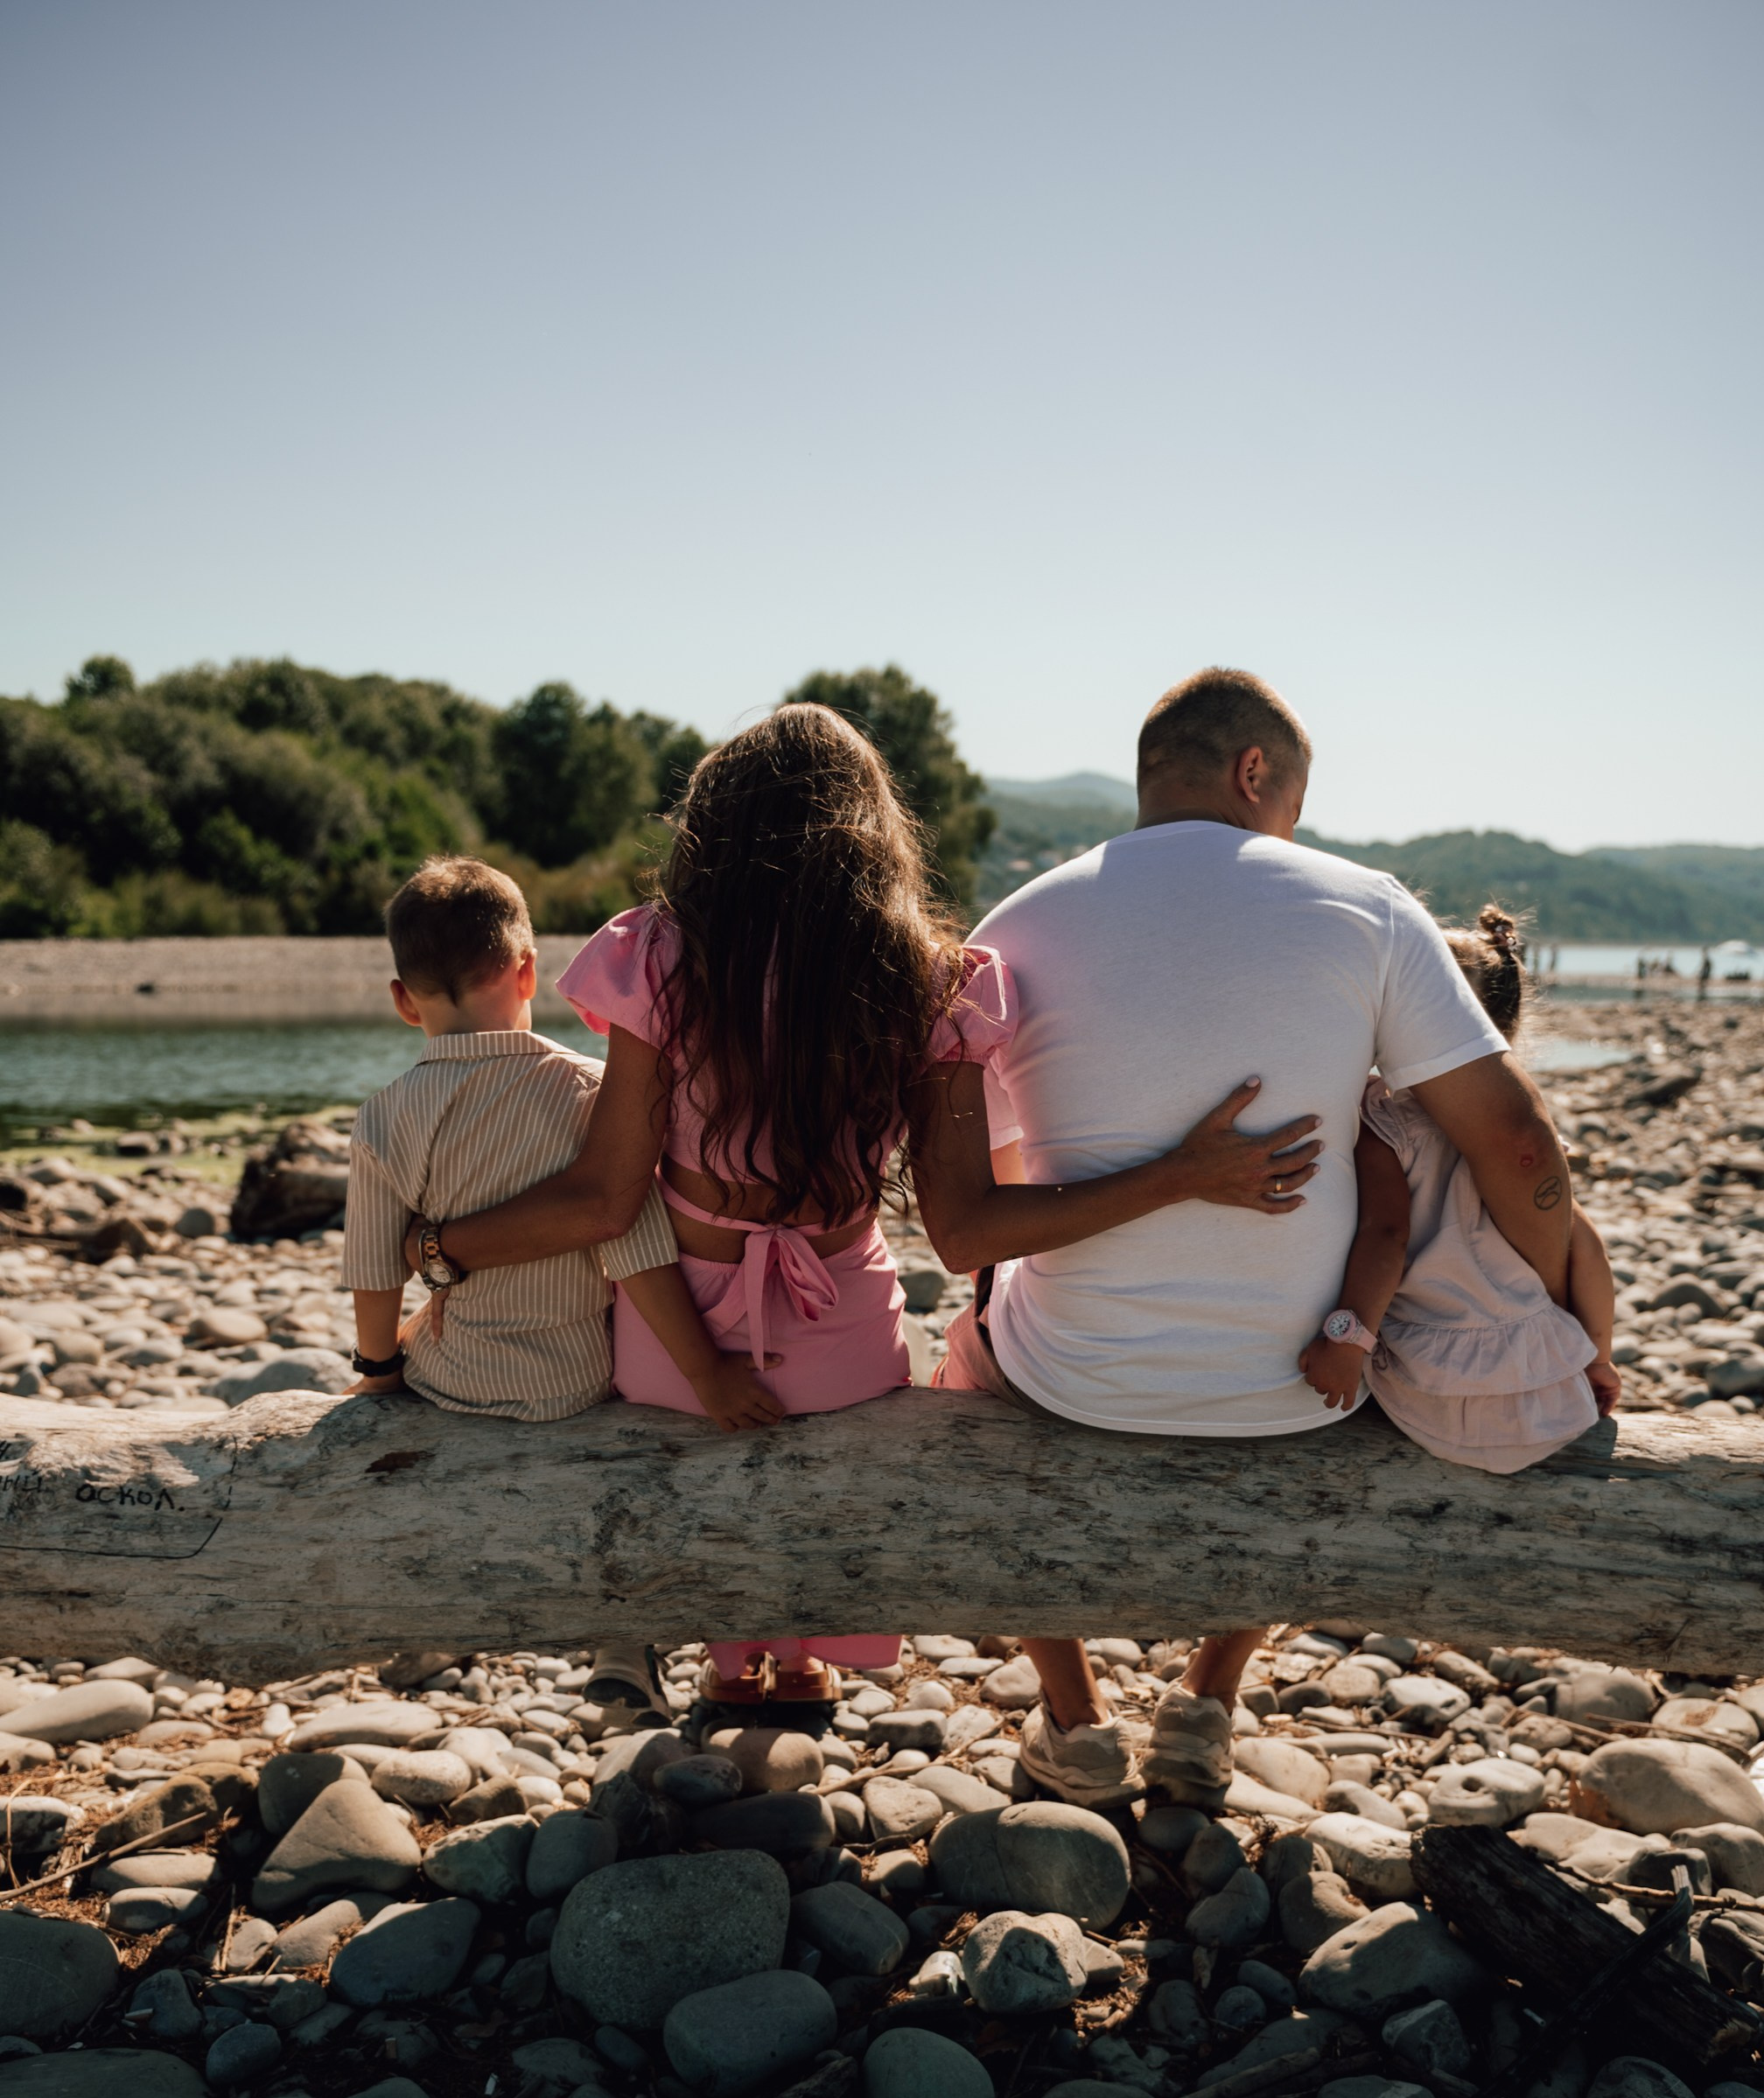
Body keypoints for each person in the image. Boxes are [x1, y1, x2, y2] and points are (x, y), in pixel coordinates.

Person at [406, 706, 1318, 1719]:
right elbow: (966, 1230)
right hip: (843, 1323)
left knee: (690, 1476)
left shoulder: (663, 957)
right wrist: (1177, 1173)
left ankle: (727, 1662)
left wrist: (442, 1249)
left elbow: (607, 1197)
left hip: (677, 1329)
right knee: (826, 1494)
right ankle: (805, 1658)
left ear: (718, 828)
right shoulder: (932, 980)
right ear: (873, 832)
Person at [926, 666, 1574, 1811]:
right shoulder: (1370, 906)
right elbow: (1520, 1151)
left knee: (966, 1339)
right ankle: (1211, 1696)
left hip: (1070, 1379)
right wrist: (1568, 1324)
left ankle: (1075, 1719)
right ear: (1254, 771)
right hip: (1297, 1393)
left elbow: (981, 1207)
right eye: (1294, 797)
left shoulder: (1009, 928)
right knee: (1343, 1295)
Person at [342, 855, 730, 1423]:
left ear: (403, 1000)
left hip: (458, 1381)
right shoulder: (592, 1090)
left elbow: (375, 1271)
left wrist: (379, 1372)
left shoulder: (381, 1116)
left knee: (415, 1330)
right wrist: (706, 1374)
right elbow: (637, 1248)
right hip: (583, 1377)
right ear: (527, 973)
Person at [1298, 905, 1620, 1467]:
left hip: (1435, 1383)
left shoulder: (1384, 1118)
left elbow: (1386, 1234)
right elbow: (1583, 1244)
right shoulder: (1523, 1128)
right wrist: (1595, 1357)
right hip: (1546, 1383)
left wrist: (1347, 1341)